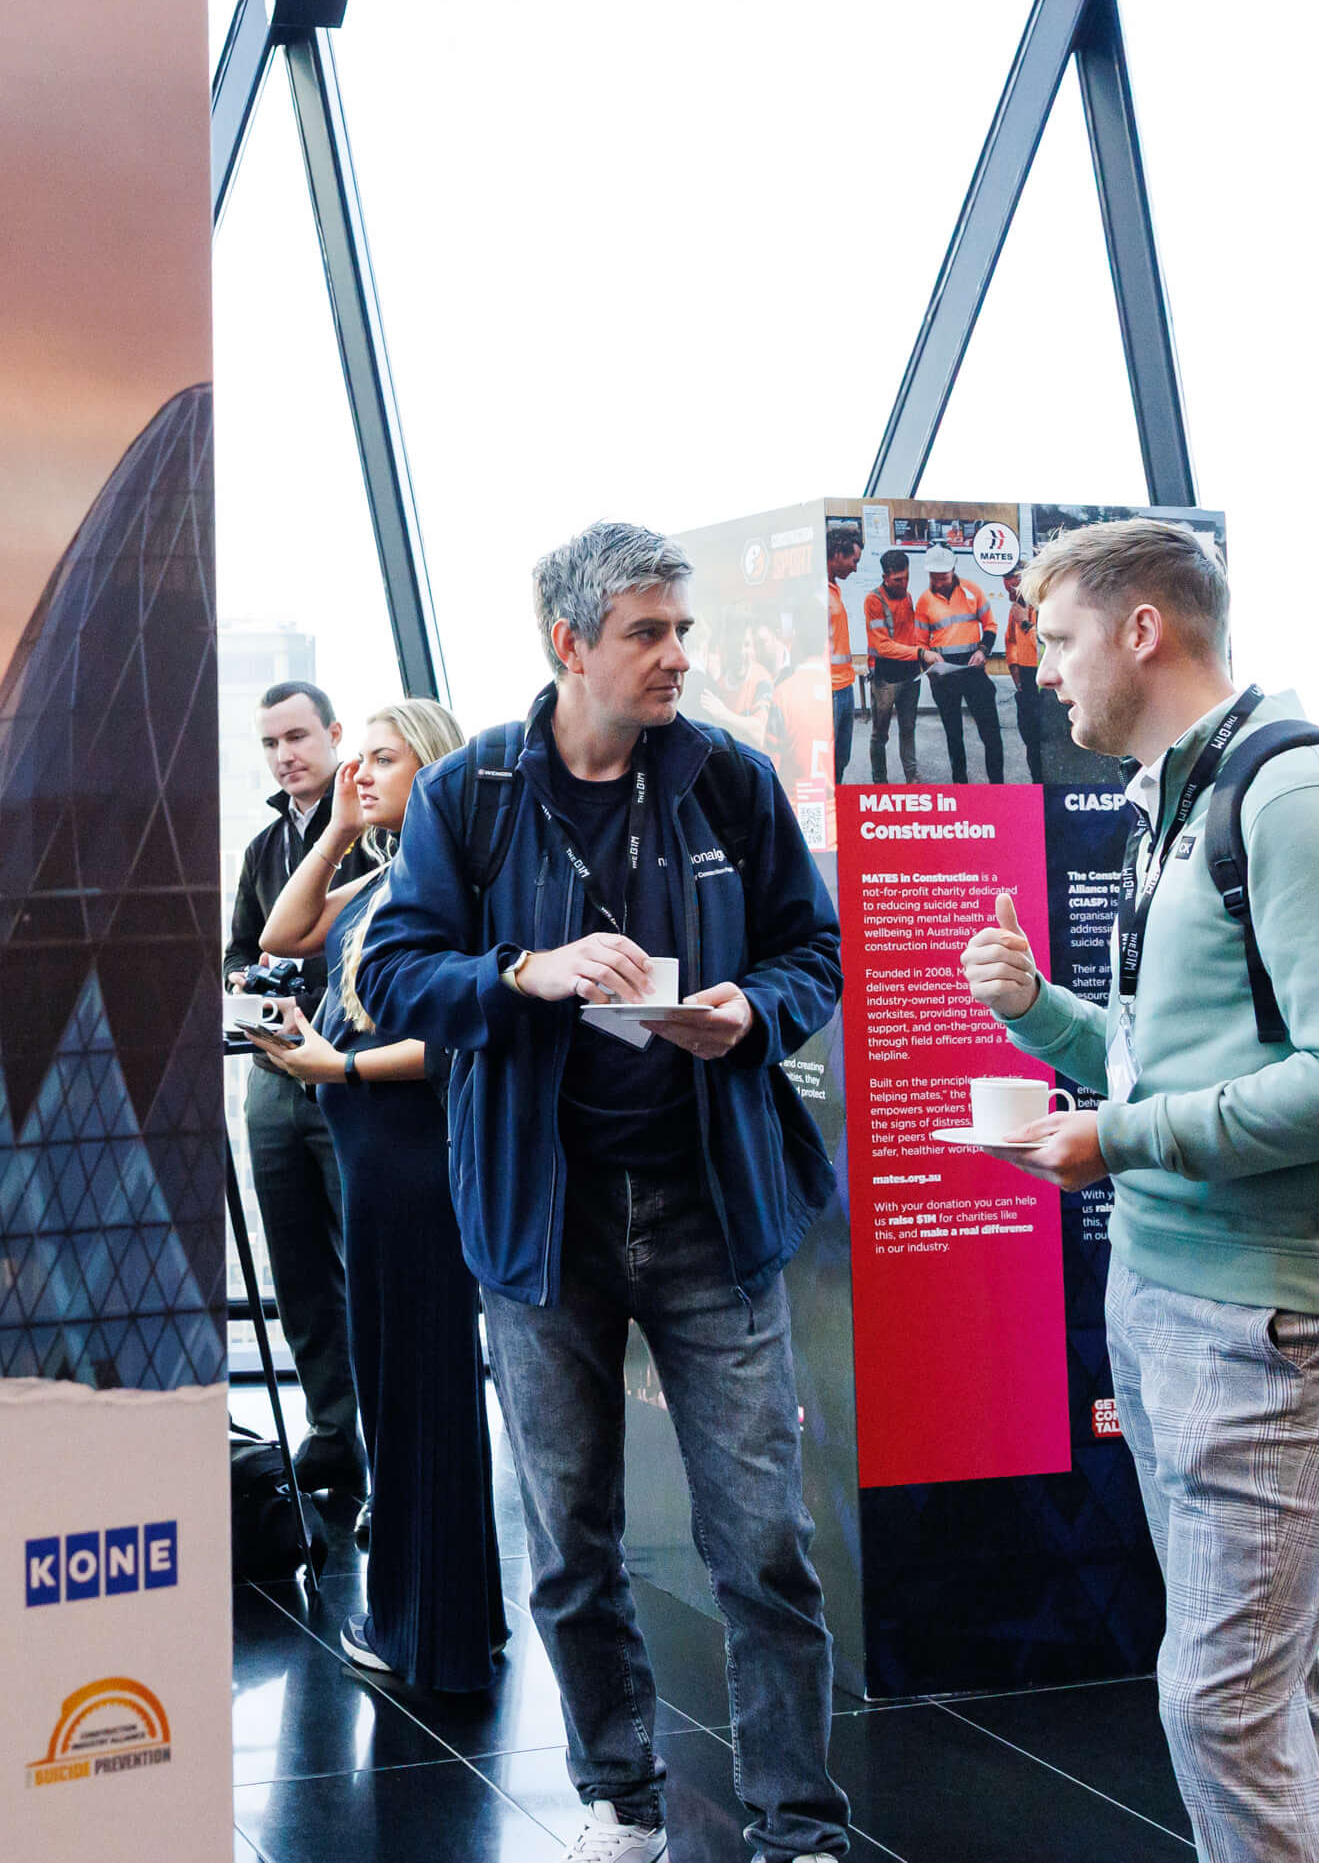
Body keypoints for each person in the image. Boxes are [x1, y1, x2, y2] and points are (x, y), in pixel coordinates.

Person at [359, 522, 848, 1863]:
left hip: (708, 1206)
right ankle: (619, 1798)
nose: (676, 656)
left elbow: (814, 951)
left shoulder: (726, 781)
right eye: (647, 631)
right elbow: (391, 975)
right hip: (540, 1221)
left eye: (681, 629)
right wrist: (520, 972)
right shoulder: (468, 794)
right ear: (567, 643)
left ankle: (797, 1820)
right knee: (572, 1538)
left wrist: (750, 1006)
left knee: (763, 1543)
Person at [957, 520, 1319, 1863]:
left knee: (1217, 1700)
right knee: (1266, 1683)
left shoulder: (1295, 797)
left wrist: (1118, 1142)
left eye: (1056, 640)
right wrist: (1037, 1015)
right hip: (1182, 1298)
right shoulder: (1183, 796)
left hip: (1273, 1316)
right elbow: (1179, 1063)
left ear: (1141, 629)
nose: (1043, 672)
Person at [251, 696, 508, 1693]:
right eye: (354, 761)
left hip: (410, 1163)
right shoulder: (386, 877)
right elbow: (285, 929)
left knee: (418, 1395)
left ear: (436, 772)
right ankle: (443, 1616)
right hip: (376, 1163)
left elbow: (457, 1036)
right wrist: (346, 826)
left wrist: (340, 1072)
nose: (359, 773)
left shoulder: (457, 892)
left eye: (383, 761)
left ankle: (425, 1632)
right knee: (399, 1396)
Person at [223, 679, 372, 1512]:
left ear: (332, 735)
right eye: (270, 744)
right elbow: (240, 950)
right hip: (274, 1077)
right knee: (299, 1266)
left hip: (353, 1075)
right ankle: (330, 1425)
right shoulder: (259, 850)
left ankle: (385, 1426)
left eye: (296, 738)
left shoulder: (378, 841)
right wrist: (246, 980)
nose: (284, 756)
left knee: (371, 1259)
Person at [917, 550, 1005, 784]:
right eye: (934, 577)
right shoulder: (924, 601)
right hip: (944, 677)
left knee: (991, 733)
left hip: (973, 670)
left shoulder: (972, 590)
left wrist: (982, 650)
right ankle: (960, 784)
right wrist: (929, 665)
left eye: (943, 576)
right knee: (953, 735)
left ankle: (998, 785)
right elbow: (920, 643)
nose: (938, 581)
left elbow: (991, 625)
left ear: (953, 570)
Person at [861, 549, 926, 780]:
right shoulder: (873, 601)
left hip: (911, 676)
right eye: (898, 579)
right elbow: (882, 646)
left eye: (907, 577)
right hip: (885, 679)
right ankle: (880, 782)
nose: (904, 583)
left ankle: (912, 777)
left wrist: (923, 653)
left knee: (908, 729)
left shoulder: (907, 597)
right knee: (880, 735)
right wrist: (919, 652)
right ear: (885, 576)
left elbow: (911, 633)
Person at [825, 525, 862, 778]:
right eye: (853, 560)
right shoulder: (818, 591)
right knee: (828, 760)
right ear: (837, 553)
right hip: (830, 690)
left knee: (842, 757)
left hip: (844, 686)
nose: (855, 567)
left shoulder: (833, 589)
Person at [1004, 580, 1046, 781]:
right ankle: (1037, 784)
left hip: (1046, 683)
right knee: (1030, 740)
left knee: (1049, 741)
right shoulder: (1019, 606)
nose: (1010, 586)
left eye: (1015, 580)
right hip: (1026, 682)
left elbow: (1045, 644)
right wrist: (1014, 668)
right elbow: (1011, 641)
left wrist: (1024, 623)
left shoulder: (1044, 605)